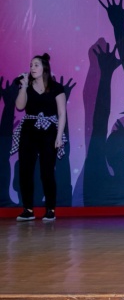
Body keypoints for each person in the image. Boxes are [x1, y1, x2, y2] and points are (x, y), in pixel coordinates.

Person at [12, 54, 66, 221]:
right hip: (29, 129)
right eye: (31, 65)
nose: (32, 68)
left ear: (44, 68)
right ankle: (28, 209)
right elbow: (20, 106)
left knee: (47, 171)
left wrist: (59, 136)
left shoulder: (56, 87)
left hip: (49, 130)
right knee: (25, 170)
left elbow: (62, 113)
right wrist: (22, 86)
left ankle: (50, 209)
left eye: (36, 65)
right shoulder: (27, 86)